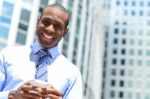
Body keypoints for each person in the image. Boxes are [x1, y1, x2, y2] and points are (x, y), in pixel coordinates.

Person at [0, 3, 82, 99]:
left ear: (65, 32)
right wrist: (11, 95)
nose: (50, 29)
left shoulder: (72, 73)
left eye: (57, 26)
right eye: (46, 22)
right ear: (37, 22)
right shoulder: (8, 55)